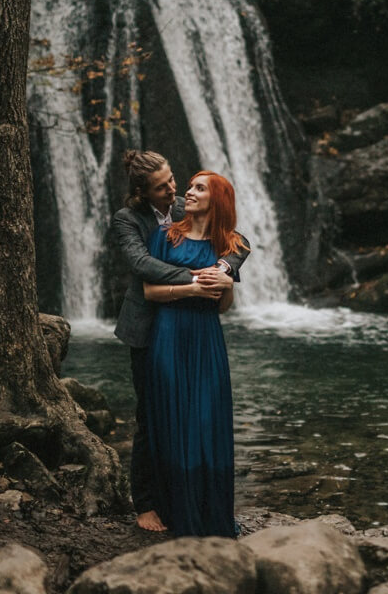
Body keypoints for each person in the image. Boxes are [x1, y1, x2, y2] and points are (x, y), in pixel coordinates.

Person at [111, 150, 249, 533]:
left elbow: (237, 242)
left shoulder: (181, 208)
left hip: (199, 333)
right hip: (150, 330)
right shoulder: (133, 221)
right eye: (165, 186)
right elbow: (142, 267)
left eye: (177, 180)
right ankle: (148, 505)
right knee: (150, 418)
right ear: (143, 191)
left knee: (202, 415)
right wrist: (196, 281)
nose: (176, 189)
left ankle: (203, 499)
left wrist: (225, 273)